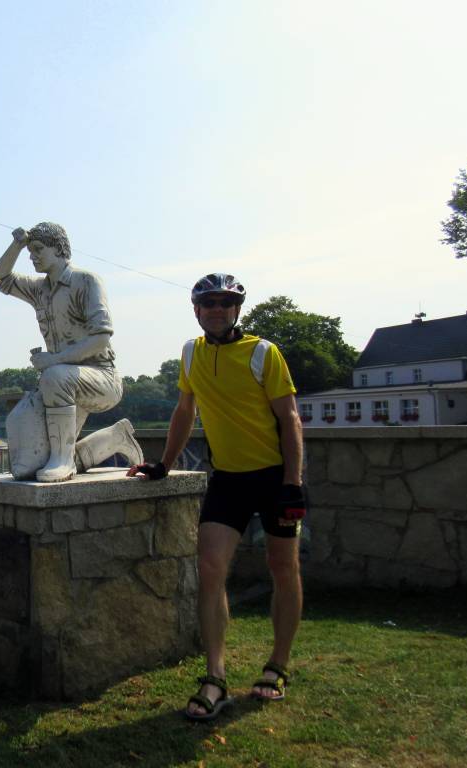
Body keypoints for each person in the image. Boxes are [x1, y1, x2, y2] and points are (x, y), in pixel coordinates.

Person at [127, 272, 306, 721]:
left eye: (226, 303)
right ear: (196, 310)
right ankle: (215, 676)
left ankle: (277, 665)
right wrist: (163, 464)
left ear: (237, 310)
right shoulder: (191, 353)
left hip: (273, 477)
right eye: (209, 303)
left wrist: (293, 483)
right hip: (227, 478)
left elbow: (289, 418)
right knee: (210, 569)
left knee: (283, 567)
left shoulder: (263, 353)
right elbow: (184, 409)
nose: (217, 310)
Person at [0, 222, 141, 482]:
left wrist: (53, 360)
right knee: (27, 468)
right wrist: (17, 245)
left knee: (54, 376)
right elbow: (0, 278)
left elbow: (101, 338)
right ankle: (114, 438)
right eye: (30, 251)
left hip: (101, 377)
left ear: (59, 248)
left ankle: (62, 460)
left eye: (38, 249)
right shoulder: (38, 289)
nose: (32, 256)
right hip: (60, 382)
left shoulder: (86, 281)